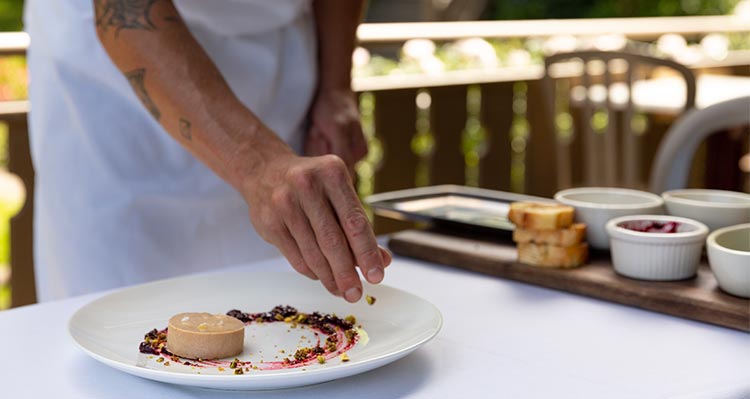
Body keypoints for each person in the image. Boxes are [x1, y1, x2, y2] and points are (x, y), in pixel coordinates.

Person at [24, 0, 390, 303]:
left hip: (282, 60)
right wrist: (259, 165)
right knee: (116, 329)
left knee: (283, 325)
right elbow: (128, 11)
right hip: (116, 91)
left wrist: (335, 87)